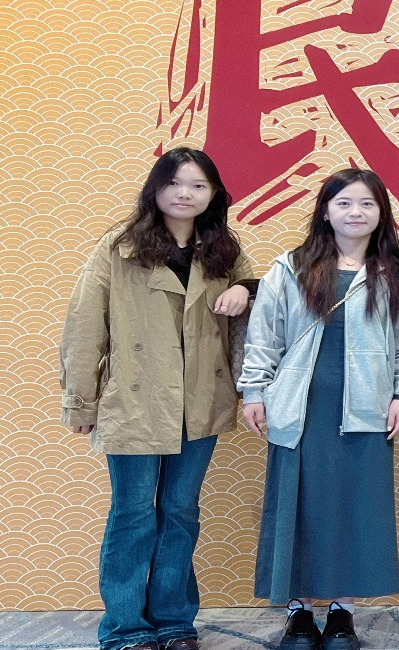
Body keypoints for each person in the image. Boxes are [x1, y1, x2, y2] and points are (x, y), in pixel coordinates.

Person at [60, 147, 253, 650]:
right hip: (135, 400)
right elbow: (85, 324)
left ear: (214, 194)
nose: (184, 193)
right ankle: (125, 628)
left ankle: (173, 621)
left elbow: (262, 301)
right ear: (156, 188)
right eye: (174, 183)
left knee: (180, 510)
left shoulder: (223, 250)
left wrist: (247, 290)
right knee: (133, 513)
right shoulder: (119, 247)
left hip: (200, 399)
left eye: (197, 185)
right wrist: (81, 400)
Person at [238, 169, 399, 650]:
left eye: (366, 204)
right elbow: (264, 336)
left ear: (381, 213)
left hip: (367, 407)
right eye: (343, 203)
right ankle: (298, 614)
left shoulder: (394, 274)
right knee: (297, 506)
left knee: (354, 508)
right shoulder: (290, 267)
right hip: (300, 406)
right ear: (324, 211)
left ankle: (342, 614)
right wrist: (253, 392)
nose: (355, 212)